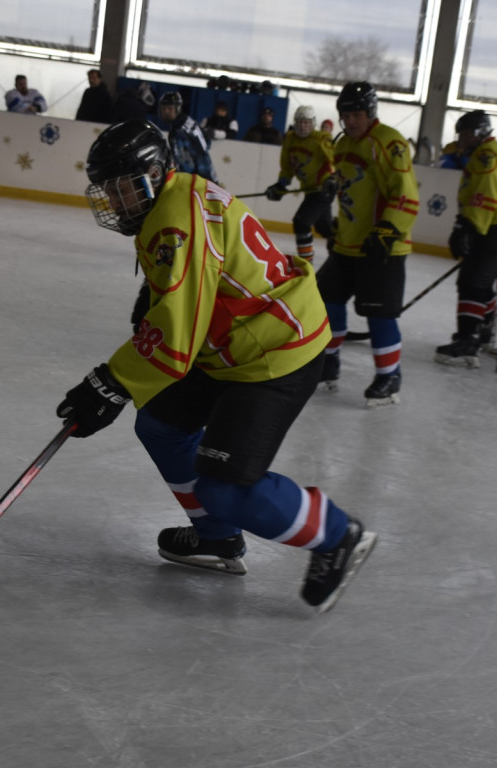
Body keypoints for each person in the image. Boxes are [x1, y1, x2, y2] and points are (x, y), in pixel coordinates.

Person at [58, 118, 377, 613]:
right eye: (110, 191)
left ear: (154, 173)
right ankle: (217, 539)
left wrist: (110, 383)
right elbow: (201, 281)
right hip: (233, 344)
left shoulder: (172, 220)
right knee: (161, 425)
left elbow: (177, 335)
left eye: (124, 189)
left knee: (225, 488)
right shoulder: (174, 195)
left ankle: (339, 536)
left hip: (275, 353)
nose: (116, 202)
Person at [313, 82, 419, 406]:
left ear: (370, 112)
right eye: (346, 115)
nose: (351, 121)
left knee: (380, 316)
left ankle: (390, 378)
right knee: (325, 303)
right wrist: (336, 225)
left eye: (357, 114)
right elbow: (352, 192)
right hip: (347, 246)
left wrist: (388, 230)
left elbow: (406, 194)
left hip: (382, 248)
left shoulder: (388, 142)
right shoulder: (344, 143)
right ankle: (328, 364)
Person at [435, 109, 497, 367]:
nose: (461, 139)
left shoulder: (486, 153)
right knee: (483, 280)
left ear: (478, 132)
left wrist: (467, 226)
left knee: (472, 280)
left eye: (465, 133)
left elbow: (485, 191)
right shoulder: (496, 149)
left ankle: (467, 339)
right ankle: (482, 333)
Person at [265, 105, 337, 263]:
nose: (302, 126)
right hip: (310, 189)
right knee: (324, 227)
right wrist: (281, 184)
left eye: (306, 122)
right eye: (299, 122)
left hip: (323, 188)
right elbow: (287, 166)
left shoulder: (321, 139)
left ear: (313, 123)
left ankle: (307, 264)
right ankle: (340, 251)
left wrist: (333, 178)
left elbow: (335, 159)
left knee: (301, 222)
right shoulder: (290, 138)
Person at [157, 91, 218, 184]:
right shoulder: (182, 124)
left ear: (177, 108)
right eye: (164, 109)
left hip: (199, 182)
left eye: (170, 108)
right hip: (200, 178)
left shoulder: (182, 129)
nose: (166, 112)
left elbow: (190, 160)